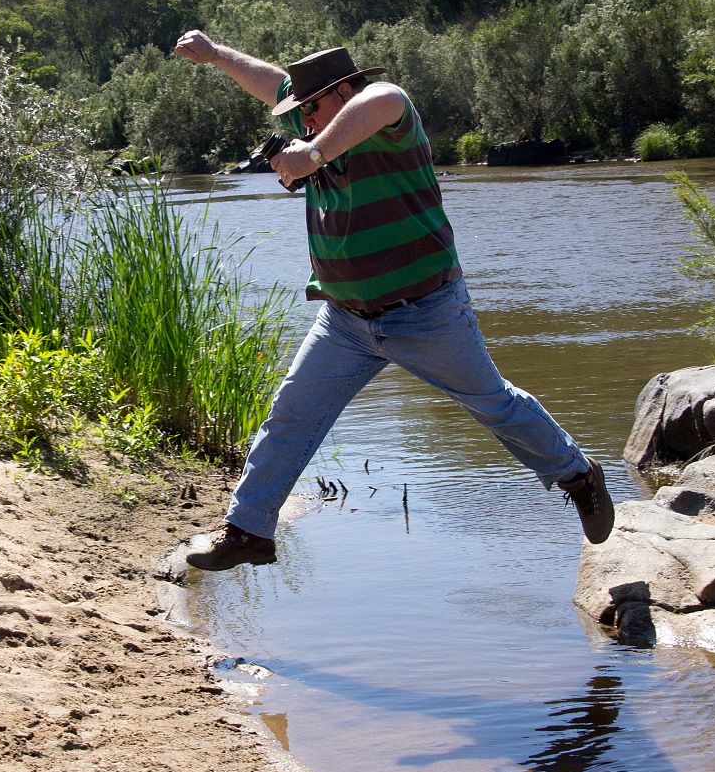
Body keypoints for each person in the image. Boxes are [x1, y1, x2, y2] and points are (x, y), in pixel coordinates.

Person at [173, 31, 613, 571]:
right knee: (291, 414)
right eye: (301, 115)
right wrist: (216, 54)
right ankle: (248, 533)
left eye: (310, 110)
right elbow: (272, 82)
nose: (303, 121)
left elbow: (386, 98)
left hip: (425, 312)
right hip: (344, 320)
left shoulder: (385, 116)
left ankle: (576, 473)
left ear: (340, 93)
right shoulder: (317, 116)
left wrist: (311, 154)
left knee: (493, 403)